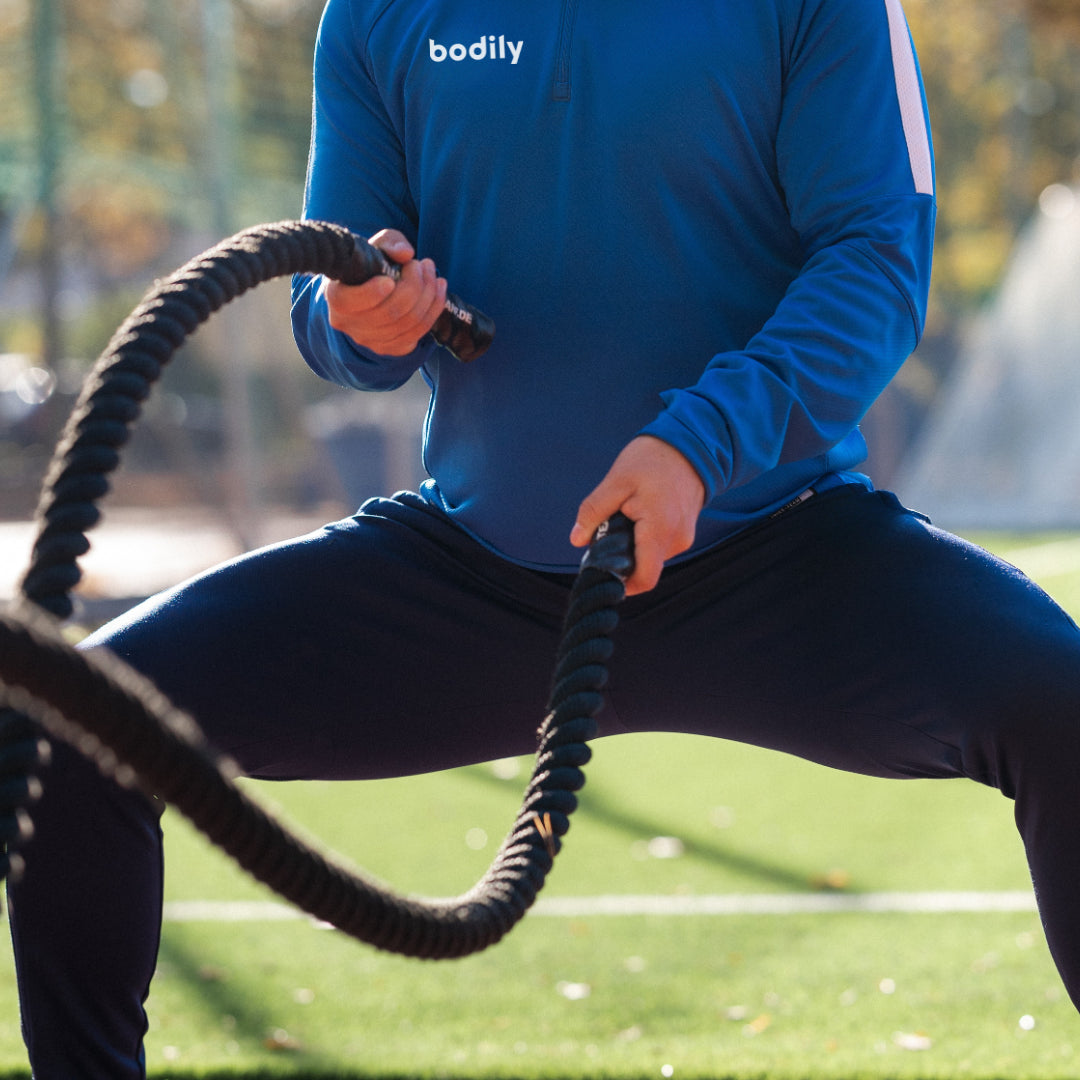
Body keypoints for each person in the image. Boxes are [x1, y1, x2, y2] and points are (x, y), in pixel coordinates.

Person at [9, 0, 1080, 1074]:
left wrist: (699, 446)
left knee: (1061, 700)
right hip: (476, 570)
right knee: (76, 734)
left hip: (784, 554)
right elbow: (330, 298)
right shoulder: (378, 15)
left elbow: (876, 259)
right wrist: (356, 319)